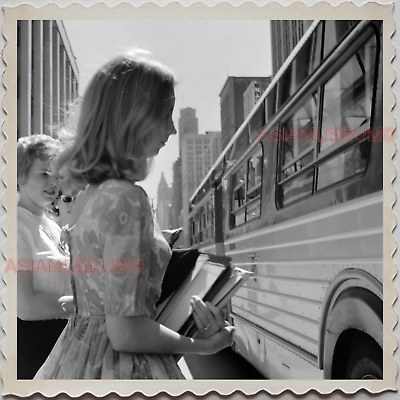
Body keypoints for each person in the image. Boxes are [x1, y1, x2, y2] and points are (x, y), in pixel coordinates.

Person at [34, 51, 234, 380]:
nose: (170, 130)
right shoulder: (128, 198)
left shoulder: (89, 196)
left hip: (77, 358)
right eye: (164, 115)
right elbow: (126, 333)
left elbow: (97, 296)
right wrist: (204, 346)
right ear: (134, 118)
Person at [17, 134, 73, 379]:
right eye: (44, 173)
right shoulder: (13, 226)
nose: (53, 181)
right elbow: (24, 305)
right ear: (19, 175)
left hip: (62, 351)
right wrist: (85, 304)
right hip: (32, 359)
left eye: (56, 174)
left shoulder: (52, 226)